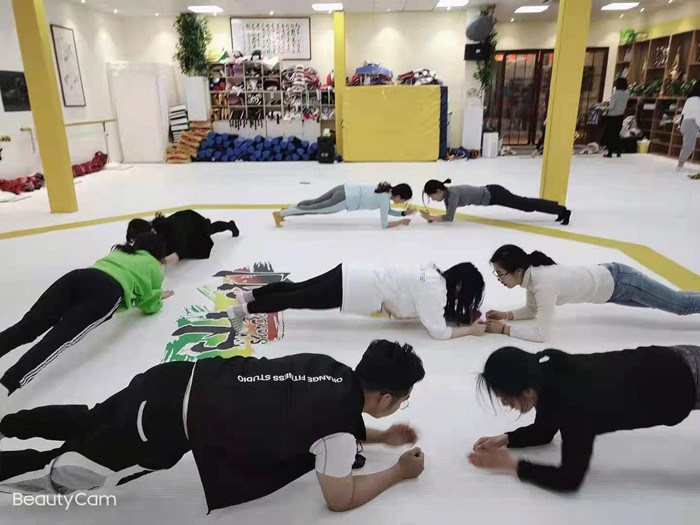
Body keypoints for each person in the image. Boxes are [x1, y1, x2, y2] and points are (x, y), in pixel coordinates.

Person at [0, 340, 426, 513]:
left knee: (92, 418)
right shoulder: (337, 435)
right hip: (159, 426)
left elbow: (310, 418)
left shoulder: (328, 368)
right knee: (62, 475)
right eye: (402, 400)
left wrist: (382, 437)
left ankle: (8, 424)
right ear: (387, 398)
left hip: (170, 379)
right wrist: (398, 472)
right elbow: (340, 498)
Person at [468, 344, 700, 492]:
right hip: (674, 359)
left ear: (527, 392)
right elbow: (544, 431)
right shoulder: (546, 370)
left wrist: (511, 465)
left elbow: (569, 479)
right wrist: (505, 439)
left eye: (505, 399)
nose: (505, 404)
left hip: (684, 381)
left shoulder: (574, 404)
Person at [0, 233, 172, 412]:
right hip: (107, 293)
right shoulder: (153, 265)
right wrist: (158, 297)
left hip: (78, 277)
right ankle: (6, 385)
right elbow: (149, 304)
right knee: (56, 341)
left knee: (29, 325)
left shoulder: (121, 252)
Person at [485, 244, 700, 342]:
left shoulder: (543, 282)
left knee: (680, 305)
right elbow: (532, 310)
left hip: (623, 282)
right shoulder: (532, 277)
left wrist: (504, 329)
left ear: (518, 270)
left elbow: (542, 334)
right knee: (672, 301)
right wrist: (506, 315)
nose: (499, 279)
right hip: (614, 288)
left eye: (501, 274)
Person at [228, 262, 486, 340]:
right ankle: (243, 310)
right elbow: (438, 332)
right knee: (296, 298)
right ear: (460, 286)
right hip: (355, 289)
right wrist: (471, 331)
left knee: (299, 288)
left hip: (353, 271)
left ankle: (249, 295)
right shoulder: (436, 292)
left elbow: (430, 310)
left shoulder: (432, 274)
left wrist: (462, 316)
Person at [420, 179, 571, 225]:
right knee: (525, 204)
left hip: (495, 195)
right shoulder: (449, 194)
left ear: (439, 191)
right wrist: (432, 219)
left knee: (525, 205)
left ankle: (561, 210)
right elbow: (448, 214)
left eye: (432, 196)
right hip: (492, 193)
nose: (433, 200)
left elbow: (449, 217)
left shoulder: (453, 195)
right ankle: (559, 209)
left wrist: (431, 217)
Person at [272, 182, 415, 228]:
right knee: (315, 209)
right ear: (398, 196)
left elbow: (388, 210)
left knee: (314, 202)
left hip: (343, 188)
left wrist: (403, 213)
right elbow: (384, 224)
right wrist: (401, 221)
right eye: (403, 201)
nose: (402, 203)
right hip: (345, 199)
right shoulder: (384, 198)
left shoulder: (385, 190)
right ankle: (281, 214)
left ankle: (289, 208)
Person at [127, 210, 239, 265]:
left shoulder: (170, 228)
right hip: (178, 227)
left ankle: (230, 225)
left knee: (210, 229)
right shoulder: (149, 235)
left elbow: (184, 244)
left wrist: (177, 255)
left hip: (192, 222)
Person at [601, 77, 630, 158]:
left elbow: (611, 107)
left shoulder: (615, 94)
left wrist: (602, 108)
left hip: (612, 116)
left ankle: (610, 152)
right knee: (616, 134)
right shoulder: (627, 94)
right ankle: (618, 151)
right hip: (620, 116)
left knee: (609, 134)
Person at [678, 82, 700, 170]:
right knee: (689, 146)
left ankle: (680, 164)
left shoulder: (691, 98)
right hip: (690, 124)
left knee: (688, 146)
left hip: (688, 123)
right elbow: (697, 116)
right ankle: (680, 164)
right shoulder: (695, 100)